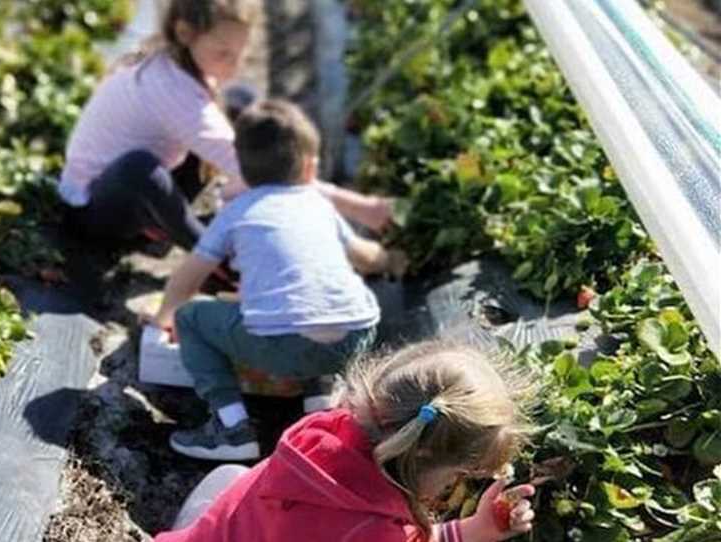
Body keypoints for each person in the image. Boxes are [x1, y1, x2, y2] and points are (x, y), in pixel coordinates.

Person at [145, 99, 406, 461]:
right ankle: (321, 394)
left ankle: (232, 427)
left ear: (242, 169)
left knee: (192, 318)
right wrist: (395, 259)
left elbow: (187, 278)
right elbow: (365, 256)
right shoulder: (317, 204)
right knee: (314, 304)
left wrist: (162, 320)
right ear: (310, 167)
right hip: (355, 338)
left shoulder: (238, 211)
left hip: (281, 344)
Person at [59, 0, 393, 261]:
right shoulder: (172, 92)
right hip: (95, 213)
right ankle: (215, 262)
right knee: (141, 170)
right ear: (185, 32)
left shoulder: (175, 60)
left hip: (132, 193)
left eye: (240, 54)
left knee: (241, 103)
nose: (234, 66)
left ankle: (186, 215)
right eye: (223, 54)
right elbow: (268, 168)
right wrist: (362, 208)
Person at [147, 341, 537, 542]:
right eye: (457, 474)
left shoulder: (321, 433)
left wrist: (477, 528)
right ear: (422, 452)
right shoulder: (368, 530)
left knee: (230, 475)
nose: (452, 486)